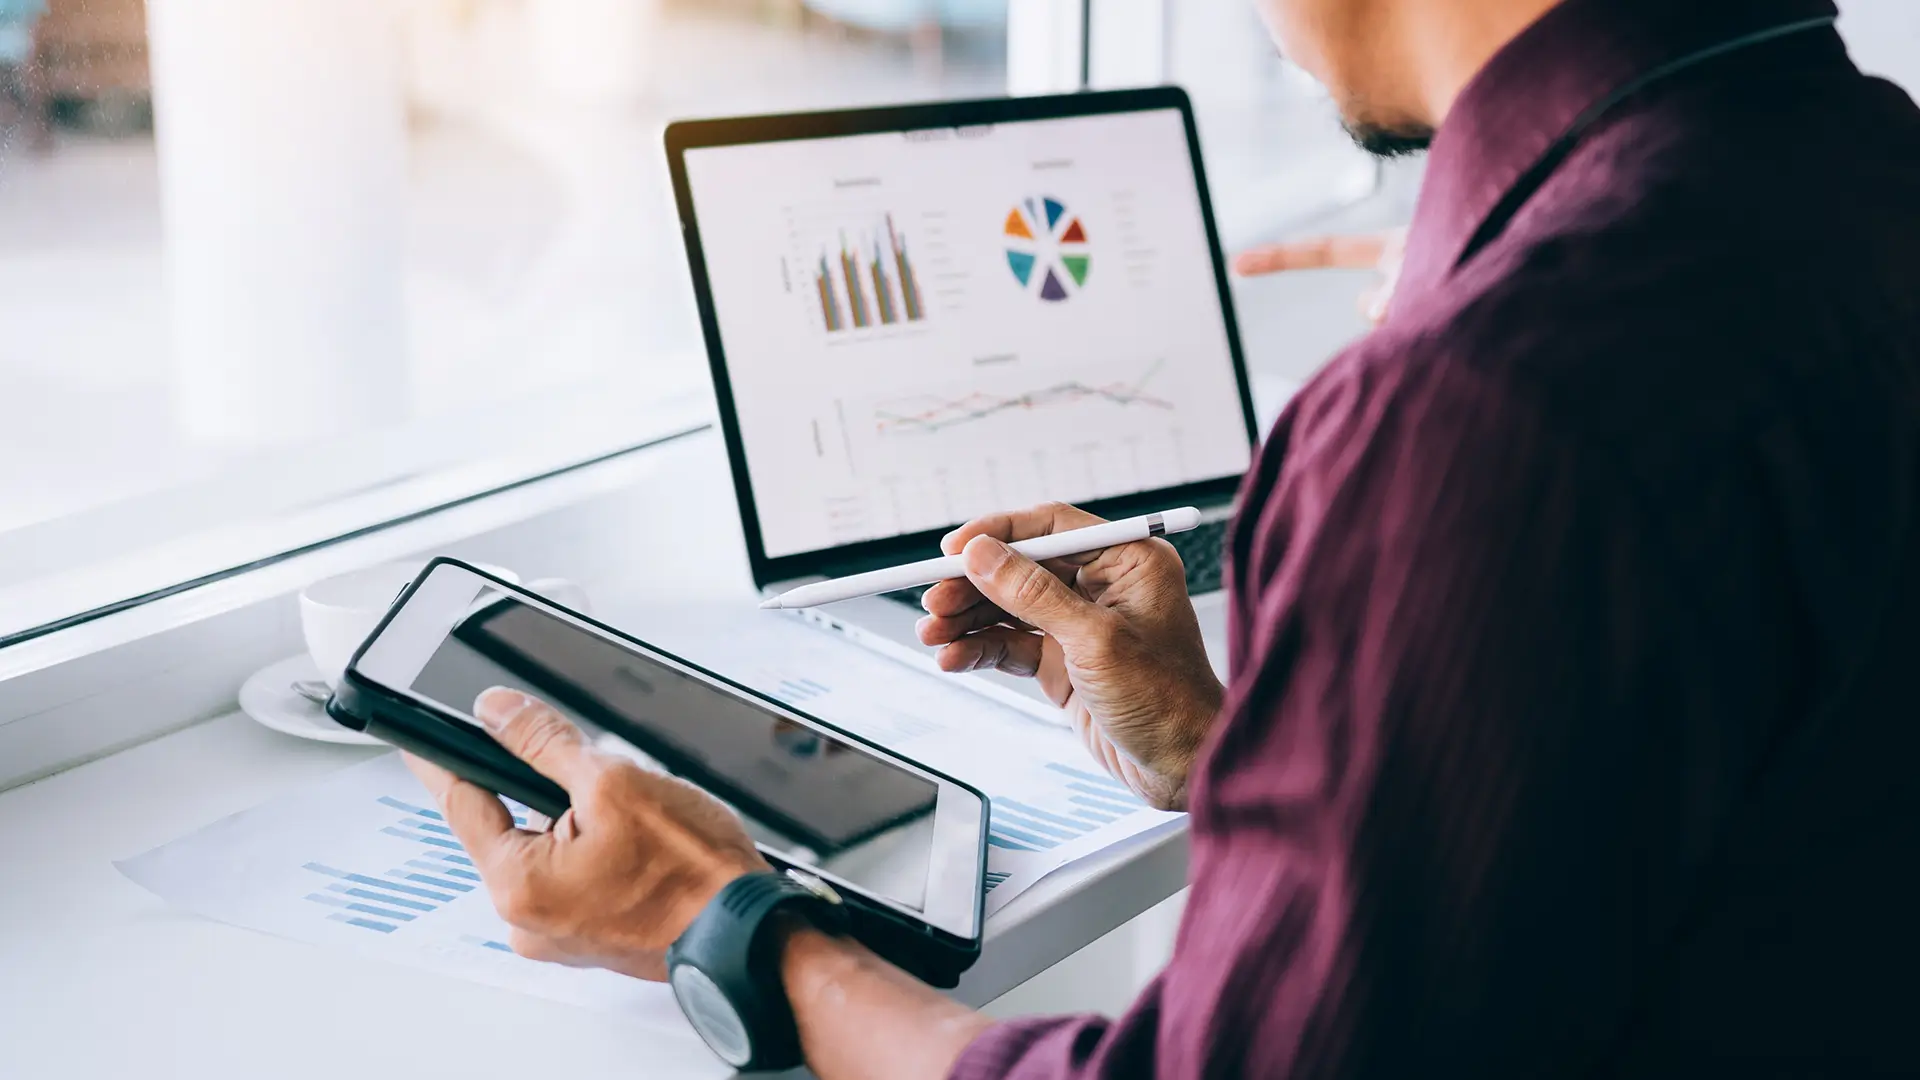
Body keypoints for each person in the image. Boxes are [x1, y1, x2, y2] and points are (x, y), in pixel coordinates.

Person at [406, 0, 1920, 1073]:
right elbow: (1705, 830)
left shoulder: (1487, 406)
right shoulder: (1862, 168)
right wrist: (1229, 748)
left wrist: (728, 925)